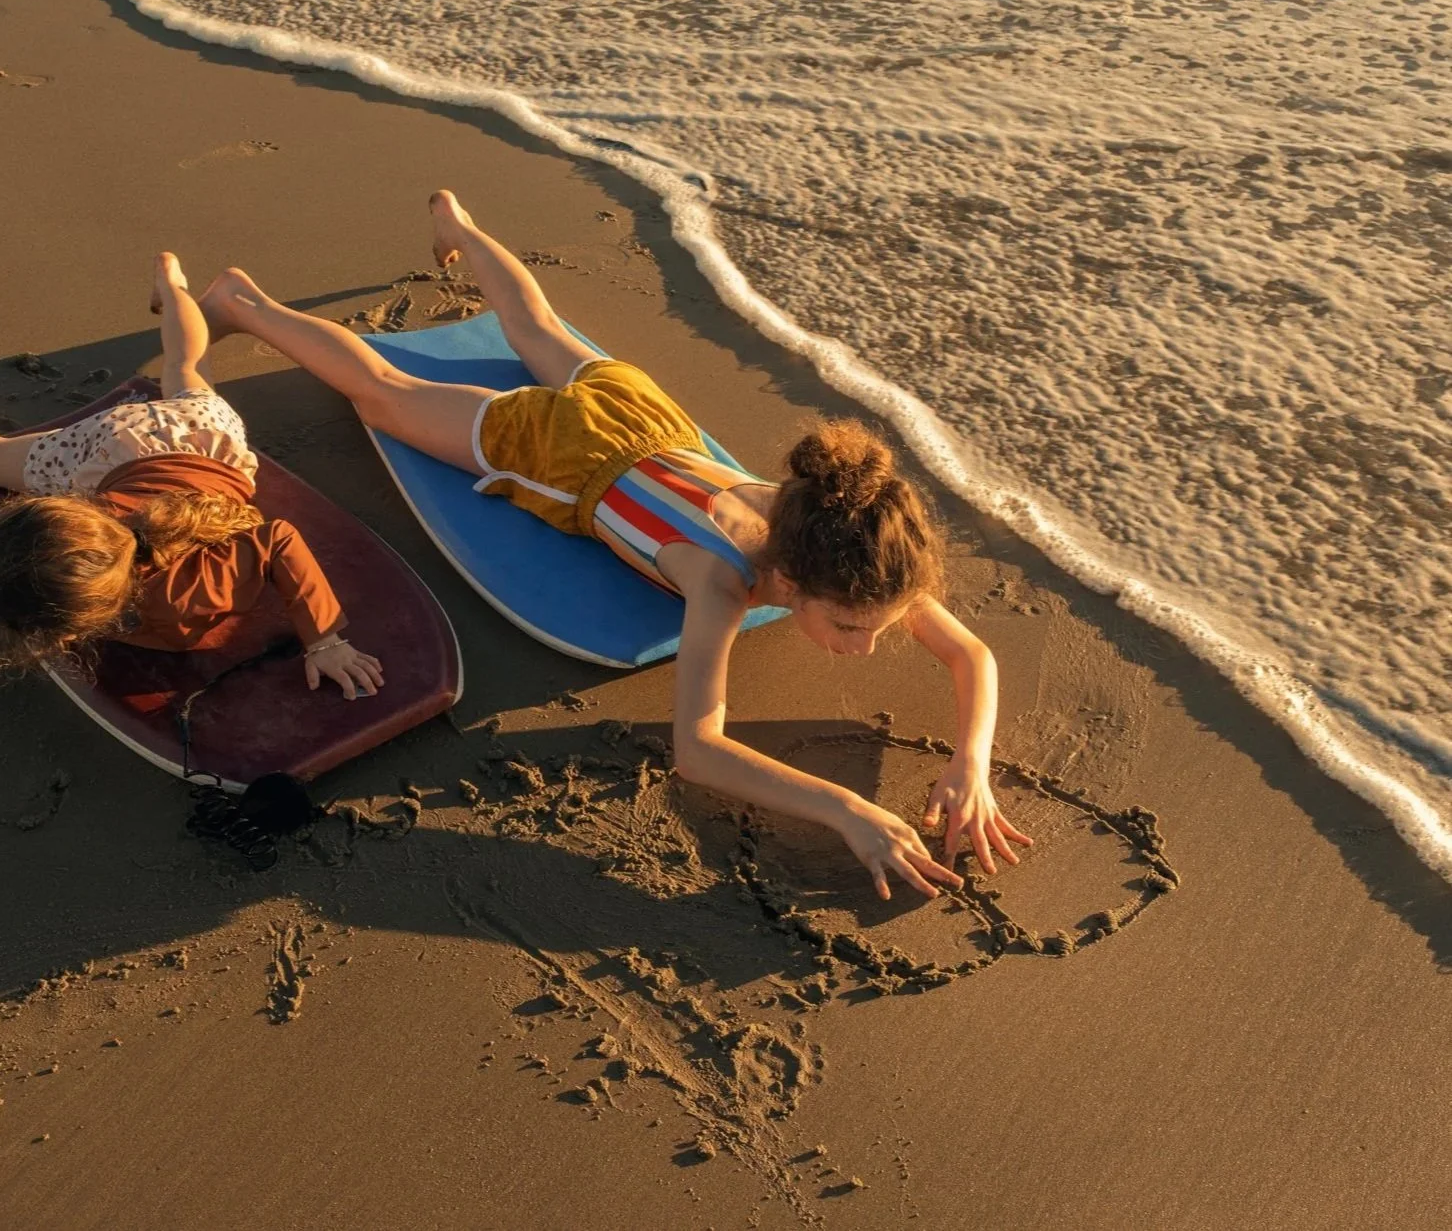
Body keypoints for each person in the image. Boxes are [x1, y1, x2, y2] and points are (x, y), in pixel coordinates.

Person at [191, 191, 1031, 897]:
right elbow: (699, 751)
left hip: (648, 414)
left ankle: (458, 226)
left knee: (537, 326)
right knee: (383, 394)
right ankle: (242, 304)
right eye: (851, 626)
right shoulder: (721, 580)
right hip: (568, 454)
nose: (868, 643)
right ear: (797, 581)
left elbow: (973, 657)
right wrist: (846, 809)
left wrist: (973, 762)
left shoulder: (832, 524)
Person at [0, 252, 385, 700]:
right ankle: (174, 286)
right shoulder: (33, 536)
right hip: (162, 440)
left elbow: (279, 541)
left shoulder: (192, 590)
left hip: (165, 446)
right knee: (182, 367)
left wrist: (327, 638)